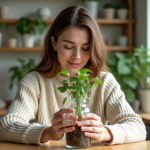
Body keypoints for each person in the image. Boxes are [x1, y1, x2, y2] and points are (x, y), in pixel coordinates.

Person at [0, 6, 146, 145]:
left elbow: (138, 127)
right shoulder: (35, 81)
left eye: (85, 48)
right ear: (54, 43)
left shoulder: (104, 81)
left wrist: (104, 132)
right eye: (68, 47)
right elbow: (6, 126)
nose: (77, 56)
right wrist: (48, 132)